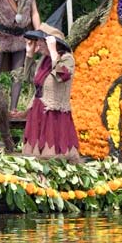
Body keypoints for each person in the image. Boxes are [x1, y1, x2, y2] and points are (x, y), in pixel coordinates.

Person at [21, 23, 80, 160]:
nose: (38, 45)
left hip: (53, 113)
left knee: (52, 151)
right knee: (34, 151)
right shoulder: (44, 59)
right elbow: (30, 78)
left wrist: (54, 53)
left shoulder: (67, 58)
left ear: (51, 42)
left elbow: (62, 75)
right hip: (38, 109)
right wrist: (29, 55)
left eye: (41, 41)